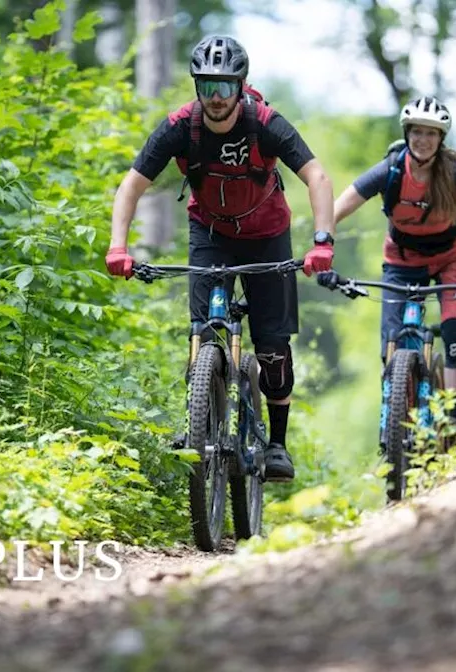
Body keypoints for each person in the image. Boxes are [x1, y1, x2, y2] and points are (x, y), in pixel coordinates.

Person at [104, 35, 337, 482]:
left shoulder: (265, 122)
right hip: (210, 232)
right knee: (203, 328)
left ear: (241, 86)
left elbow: (317, 175)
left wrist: (322, 240)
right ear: (196, 87)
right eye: (207, 86)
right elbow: (131, 185)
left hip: (268, 235)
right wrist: (119, 247)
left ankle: (277, 445)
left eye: (225, 87)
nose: (215, 98)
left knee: (271, 345)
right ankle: (198, 423)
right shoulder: (179, 127)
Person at [330, 95, 456, 442]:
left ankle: (452, 425)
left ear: (441, 139)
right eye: (416, 132)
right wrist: (323, 245)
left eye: (431, 134)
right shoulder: (391, 169)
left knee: (453, 333)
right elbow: (338, 207)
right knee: (389, 340)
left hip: (454, 257)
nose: (422, 139)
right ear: (407, 132)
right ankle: (393, 411)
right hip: (402, 258)